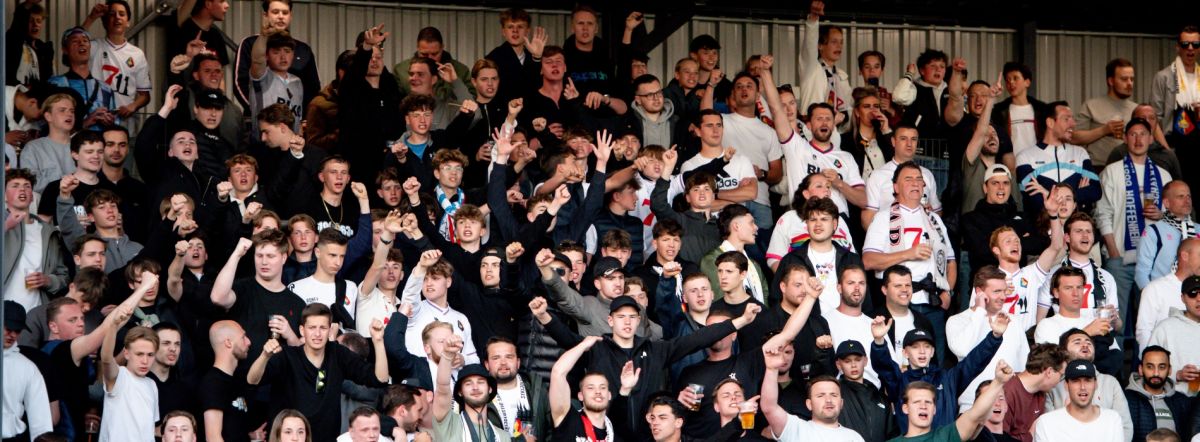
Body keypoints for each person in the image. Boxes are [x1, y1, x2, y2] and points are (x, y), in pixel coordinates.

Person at [532, 294, 761, 436]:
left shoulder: (656, 349)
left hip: (650, 433)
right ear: (610, 320)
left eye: (633, 316)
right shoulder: (597, 347)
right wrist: (544, 317)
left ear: (640, 320)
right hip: (607, 432)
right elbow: (568, 340)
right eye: (621, 317)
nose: (627, 322)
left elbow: (697, 339)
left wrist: (740, 321)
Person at [676, 276, 818, 438]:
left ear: (734, 334)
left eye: (722, 329)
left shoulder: (748, 362)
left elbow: (787, 334)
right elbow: (676, 418)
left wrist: (811, 297)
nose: (716, 334)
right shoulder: (689, 372)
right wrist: (679, 403)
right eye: (711, 329)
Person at [247, 304, 390, 441]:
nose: (317, 333)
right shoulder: (287, 356)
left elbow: (380, 379)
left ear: (330, 330)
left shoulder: (338, 354)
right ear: (302, 330)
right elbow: (252, 380)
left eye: (322, 328)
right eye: (312, 327)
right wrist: (264, 356)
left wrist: (378, 341)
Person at [863, 162, 955, 358]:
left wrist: (948, 292)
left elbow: (951, 261)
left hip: (933, 302)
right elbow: (869, 261)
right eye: (908, 179)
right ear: (895, 187)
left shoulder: (935, 220)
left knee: (934, 362)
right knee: (899, 360)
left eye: (919, 179)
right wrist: (907, 254)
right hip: (899, 304)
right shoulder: (883, 217)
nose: (915, 183)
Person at [761, 54, 865, 219]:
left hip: (838, 224)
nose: (824, 123)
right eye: (819, 119)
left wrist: (839, 183)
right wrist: (766, 72)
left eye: (828, 119)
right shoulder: (796, 147)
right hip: (804, 219)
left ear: (833, 124)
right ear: (808, 125)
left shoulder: (846, 157)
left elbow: (863, 200)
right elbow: (776, 109)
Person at [870, 308, 1005, 430]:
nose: (922, 351)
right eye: (915, 347)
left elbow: (974, 362)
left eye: (927, 346)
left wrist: (995, 337)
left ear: (933, 352)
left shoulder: (947, 378)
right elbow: (885, 366)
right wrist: (879, 341)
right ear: (905, 353)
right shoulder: (900, 380)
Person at [1096, 118, 1172, 321]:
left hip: (1153, 260)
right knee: (1114, 321)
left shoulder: (1163, 175)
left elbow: (1173, 218)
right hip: (1119, 257)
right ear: (1125, 138)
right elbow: (1103, 213)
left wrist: (1161, 215)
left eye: (1143, 134)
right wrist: (1113, 252)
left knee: (1149, 321)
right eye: (1133, 134)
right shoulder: (1112, 171)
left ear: (1150, 139)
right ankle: (1116, 354)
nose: (1138, 139)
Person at [946, 266, 1038, 410]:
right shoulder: (957, 321)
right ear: (979, 292)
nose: (1003, 297)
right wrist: (980, 310)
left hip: (1007, 405)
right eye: (997, 291)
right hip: (971, 404)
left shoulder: (1013, 321)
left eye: (1004, 291)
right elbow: (962, 349)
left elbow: (1023, 365)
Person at [211, 231, 307, 358]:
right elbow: (217, 298)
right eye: (259, 255)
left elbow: (302, 358)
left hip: (281, 376)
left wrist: (290, 335)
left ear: (284, 258)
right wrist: (237, 254)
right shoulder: (242, 288)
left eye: (270, 256)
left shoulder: (297, 303)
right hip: (241, 375)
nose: (264, 262)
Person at [769, 198, 864, 313]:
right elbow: (776, 299)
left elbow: (865, 300)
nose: (818, 224)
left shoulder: (852, 259)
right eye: (813, 219)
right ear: (807, 224)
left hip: (846, 325)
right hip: (807, 326)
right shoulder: (791, 260)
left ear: (834, 224)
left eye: (824, 219)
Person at [891, 361, 1015, 442]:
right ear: (905, 408)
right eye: (917, 402)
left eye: (928, 402)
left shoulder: (946, 436)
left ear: (934, 409)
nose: (923, 406)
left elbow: (976, 414)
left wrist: (998, 382)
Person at [1015, 101, 1102, 216]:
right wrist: (1077, 195)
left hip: (1076, 228)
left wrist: (1047, 193)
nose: (1073, 124)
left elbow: (1095, 191)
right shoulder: (1025, 157)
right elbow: (1034, 201)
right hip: (1041, 229)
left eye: (1072, 119)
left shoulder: (1080, 153)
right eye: (1066, 119)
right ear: (1050, 123)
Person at [1044, 329, 1131, 438]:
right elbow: (1047, 428)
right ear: (1064, 351)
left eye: (1089, 342)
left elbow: (1125, 426)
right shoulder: (1053, 383)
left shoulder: (1110, 382)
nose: (1085, 345)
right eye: (1077, 342)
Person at [234, 0, 319, 111]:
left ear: (290, 16)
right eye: (275, 12)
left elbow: (313, 87)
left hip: (295, 121)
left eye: (285, 13)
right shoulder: (250, 44)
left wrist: (305, 119)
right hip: (260, 118)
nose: (280, 16)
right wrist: (257, 112)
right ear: (265, 15)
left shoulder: (303, 49)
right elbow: (240, 83)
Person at [4, 168, 69, 312]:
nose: (22, 190)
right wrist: (5, 227)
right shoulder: (3, 225)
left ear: (32, 196)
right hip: (4, 313)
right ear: (4, 195)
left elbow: (63, 276)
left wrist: (48, 280)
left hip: (36, 312)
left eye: (27, 186)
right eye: (15, 186)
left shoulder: (48, 231)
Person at [1037, 213, 1121, 323]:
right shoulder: (1054, 274)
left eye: (1088, 231)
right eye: (1079, 231)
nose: (1085, 235)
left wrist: (1114, 318)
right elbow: (1039, 320)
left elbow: (1118, 326)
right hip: (1065, 337)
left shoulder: (1106, 277)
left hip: (1100, 338)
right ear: (1067, 237)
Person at [99, 302, 161, 442]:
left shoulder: (152, 384)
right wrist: (113, 326)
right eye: (139, 354)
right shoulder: (119, 376)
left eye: (150, 355)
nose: (145, 361)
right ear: (126, 354)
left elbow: (149, 428)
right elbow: (107, 359)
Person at [1150, 26, 1200, 195]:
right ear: (1178, 47)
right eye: (1185, 44)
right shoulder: (1163, 77)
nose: (1190, 48)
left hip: (1197, 145)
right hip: (1173, 146)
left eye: (1195, 44)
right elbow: (1153, 118)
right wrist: (1167, 151)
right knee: (1175, 197)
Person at [81, 0, 151, 119]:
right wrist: (91, 18)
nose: (117, 17)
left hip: (123, 121)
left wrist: (133, 106)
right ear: (104, 21)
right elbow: (75, 41)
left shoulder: (137, 54)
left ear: (128, 22)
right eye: (112, 14)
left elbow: (145, 95)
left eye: (122, 14)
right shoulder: (94, 46)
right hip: (95, 119)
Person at [1032, 360, 1125, 442]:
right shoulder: (1046, 423)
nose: (1082, 387)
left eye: (1088, 380)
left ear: (1095, 384)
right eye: (1076, 381)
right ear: (1066, 385)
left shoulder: (1112, 420)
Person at [48, 27, 119, 130]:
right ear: (65, 50)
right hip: (67, 145)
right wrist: (85, 122)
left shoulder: (105, 88)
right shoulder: (55, 85)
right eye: (75, 41)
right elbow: (46, 125)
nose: (81, 43)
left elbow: (115, 125)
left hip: (98, 145)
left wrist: (110, 122)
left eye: (85, 40)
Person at [2, 301, 52, 441]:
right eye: (8, 328)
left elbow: (40, 413)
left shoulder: (27, 367)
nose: (12, 334)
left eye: (17, 330)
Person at [1124, 346, 1197, 442]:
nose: (1156, 373)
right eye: (1150, 367)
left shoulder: (1182, 401)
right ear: (1141, 369)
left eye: (1162, 367)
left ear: (1169, 370)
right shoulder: (1126, 400)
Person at [1074, 59, 1137, 167]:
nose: (1130, 83)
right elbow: (1074, 137)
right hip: (1099, 168)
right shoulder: (1091, 105)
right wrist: (1104, 130)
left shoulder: (1136, 109)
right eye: (1124, 79)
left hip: (1131, 169)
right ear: (1111, 81)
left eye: (1132, 79)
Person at [1136, 245, 1200, 352]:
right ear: (1185, 256)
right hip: (1166, 364)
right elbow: (1144, 331)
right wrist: (1152, 362)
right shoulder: (1155, 288)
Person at [1000, 344, 1069, 442]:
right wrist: (1031, 433)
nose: (1059, 381)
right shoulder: (1006, 392)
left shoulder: (1041, 392)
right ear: (1049, 372)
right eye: (1061, 375)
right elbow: (997, 438)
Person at [1135, 182, 1197, 289]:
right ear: (1166, 202)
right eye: (1180, 196)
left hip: (1195, 296)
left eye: (1189, 196)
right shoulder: (1153, 231)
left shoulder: (1198, 230)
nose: (1187, 201)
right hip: (1163, 295)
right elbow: (1141, 273)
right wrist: (1152, 298)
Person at [198, 320, 253, 442]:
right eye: (243, 337)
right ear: (228, 342)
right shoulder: (213, 384)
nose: (249, 342)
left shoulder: (235, 381)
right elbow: (213, 438)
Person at [484, 337, 548, 440]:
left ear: (518, 363)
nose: (503, 362)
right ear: (487, 365)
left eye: (509, 357)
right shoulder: (479, 395)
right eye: (496, 358)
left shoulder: (537, 388)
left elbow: (553, 431)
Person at [1145, 276, 1200, 390]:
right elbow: (1147, 369)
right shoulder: (1165, 328)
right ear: (1182, 298)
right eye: (1193, 293)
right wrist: (1177, 375)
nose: (1199, 298)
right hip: (1175, 399)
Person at [19, 94, 76, 193]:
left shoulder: (83, 146)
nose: (69, 114)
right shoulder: (33, 148)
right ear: (48, 116)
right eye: (62, 110)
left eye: (72, 111)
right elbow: (30, 184)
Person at [993, 62, 1049, 161]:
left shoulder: (1041, 109)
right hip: (1010, 165)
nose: (1011, 83)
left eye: (1015, 78)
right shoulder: (999, 111)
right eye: (1007, 80)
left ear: (1027, 82)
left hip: (1038, 163)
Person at [893, 49, 951, 139]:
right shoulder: (914, 88)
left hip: (946, 146)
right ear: (922, 70)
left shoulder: (950, 90)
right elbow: (898, 97)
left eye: (942, 67)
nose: (938, 70)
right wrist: (909, 74)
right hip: (919, 144)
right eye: (933, 66)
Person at [171, 0, 231, 65]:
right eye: (221, 1)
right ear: (208, 4)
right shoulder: (183, 31)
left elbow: (220, 70)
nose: (227, 5)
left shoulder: (216, 35)